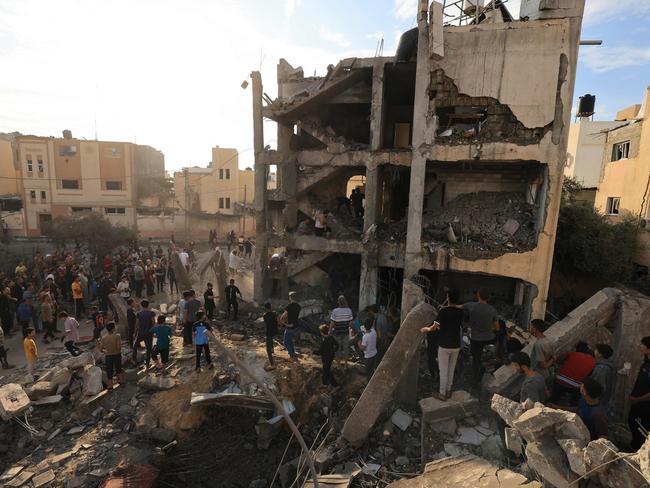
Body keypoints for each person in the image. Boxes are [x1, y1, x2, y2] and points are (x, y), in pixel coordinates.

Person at [421, 289, 464, 401]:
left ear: (448, 298)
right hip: (456, 345)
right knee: (451, 368)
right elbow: (456, 313)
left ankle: (442, 394)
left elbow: (434, 327)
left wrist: (426, 328)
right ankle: (449, 391)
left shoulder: (443, 312)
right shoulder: (460, 312)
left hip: (445, 345)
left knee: (443, 370)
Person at [464, 288, 497, 384]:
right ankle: (483, 370)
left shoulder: (471, 306)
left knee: (475, 359)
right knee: (482, 358)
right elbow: (497, 327)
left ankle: (475, 379)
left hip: (476, 339)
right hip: (489, 339)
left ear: (478, 295)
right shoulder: (492, 310)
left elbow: (458, 306)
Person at [549, 341, 596, 406]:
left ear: (577, 349)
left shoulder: (572, 354)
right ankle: (571, 405)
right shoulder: (593, 362)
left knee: (553, 399)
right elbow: (589, 374)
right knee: (575, 400)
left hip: (561, 380)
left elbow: (558, 360)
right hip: (575, 386)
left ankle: (551, 404)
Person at [628, 336, 650, 450]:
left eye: (642, 345)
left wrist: (638, 399)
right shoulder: (646, 363)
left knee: (641, 427)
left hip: (645, 406)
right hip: (638, 402)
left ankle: (638, 450)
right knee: (632, 421)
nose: (640, 346)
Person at [329, 295, 354, 362]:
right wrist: (350, 329)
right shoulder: (349, 310)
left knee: (337, 349)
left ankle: (339, 365)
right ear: (345, 302)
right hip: (345, 332)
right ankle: (346, 365)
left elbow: (332, 323)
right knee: (346, 349)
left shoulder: (335, 311)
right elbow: (351, 323)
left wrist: (329, 331)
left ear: (338, 302)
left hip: (337, 333)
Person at [589, 344, 615, 408]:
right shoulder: (603, 366)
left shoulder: (602, 368)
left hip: (596, 402)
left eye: (596, 350)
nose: (594, 351)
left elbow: (598, 387)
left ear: (600, 354)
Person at [134, 300, 156, 368]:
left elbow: (137, 324)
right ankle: (147, 364)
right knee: (148, 348)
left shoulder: (139, 314)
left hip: (141, 332)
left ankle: (134, 360)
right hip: (149, 333)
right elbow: (153, 322)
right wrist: (154, 331)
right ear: (148, 305)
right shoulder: (151, 313)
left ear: (141, 305)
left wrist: (135, 333)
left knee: (135, 345)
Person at [101, 322, 122, 389]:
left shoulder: (104, 338)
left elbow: (101, 349)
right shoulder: (117, 336)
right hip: (117, 354)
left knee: (109, 371)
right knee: (118, 368)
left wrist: (106, 351)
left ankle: (110, 385)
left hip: (108, 356)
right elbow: (119, 347)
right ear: (113, 328)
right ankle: (121, 382)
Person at [282, 292, 301, 362]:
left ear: (290, 297)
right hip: (295, 325)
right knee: (290, 340)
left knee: (286, 342)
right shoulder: (299, 306)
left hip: (289, 326)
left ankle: (291, 356)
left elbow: (283, 316)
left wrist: (283, 322)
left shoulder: (289, 306)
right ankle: (293, 353)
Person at [262, 303, 278, 371]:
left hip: (269, 332)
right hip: (274, 331)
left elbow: (266, 322)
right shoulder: (274, 314)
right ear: (271, 307)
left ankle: (272, 364)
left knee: (267, 349)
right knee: (271, 340)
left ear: (265, 308)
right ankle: (272, 350)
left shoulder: (265, 315)